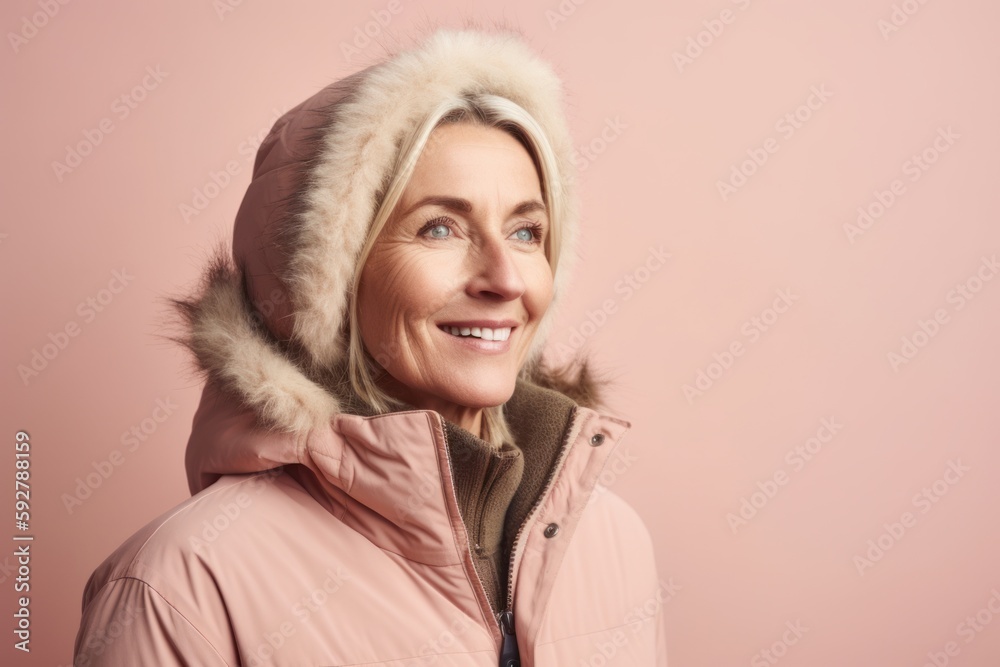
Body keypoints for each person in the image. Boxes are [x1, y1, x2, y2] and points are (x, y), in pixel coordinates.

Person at [73, 24, 667, 666]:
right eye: (440, 227)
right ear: (327, 278)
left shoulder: (612, 541)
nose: (505, 278)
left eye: (527, 232)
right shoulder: (181, 589)